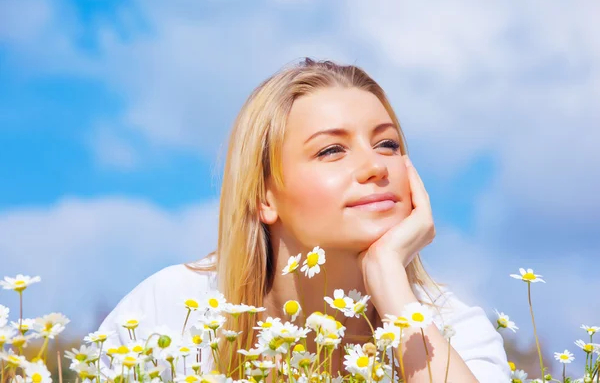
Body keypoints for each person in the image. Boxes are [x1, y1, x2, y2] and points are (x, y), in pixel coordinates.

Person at [98, 58, 510, 382]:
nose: (375, 167)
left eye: (387, 144)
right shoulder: (171, 314)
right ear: (263, 196)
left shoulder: (451, 330)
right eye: (331, 150)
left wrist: (392, 287)